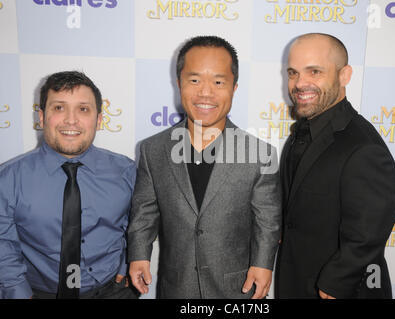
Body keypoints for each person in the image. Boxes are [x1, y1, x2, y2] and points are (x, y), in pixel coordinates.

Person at [127, 36, 282, 299]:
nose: (205, 92)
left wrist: (264, 263)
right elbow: (144, 212)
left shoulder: (260, 154)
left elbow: (267, 220)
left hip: (237, 289)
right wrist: (139, 254)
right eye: (195, 80)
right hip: (177, 286)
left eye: (219, 82)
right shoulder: (153, 150)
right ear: (179, 83)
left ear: (234, 87)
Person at [275, 33, 395, 299]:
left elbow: (369, 232)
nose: (300, 83)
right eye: (293, 73)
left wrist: (336, 282)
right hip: (297, 282)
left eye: (315, 72)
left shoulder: (363, 146)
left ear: (344, 76)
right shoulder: (302, 132)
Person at [0, 71, 138, 299]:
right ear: (42, 117)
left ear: (99, 119)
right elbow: (3, 245)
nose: (71, 120)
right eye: (59, 108)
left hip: (113, 291)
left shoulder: (126, 171)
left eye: (83, 109)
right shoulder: (8, 178)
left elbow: (139, 225)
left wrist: (127, 265)